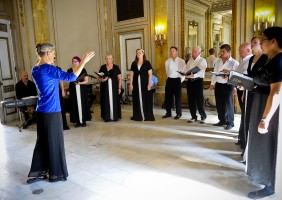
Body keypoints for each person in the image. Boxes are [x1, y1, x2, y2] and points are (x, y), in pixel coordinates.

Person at [27, 42, 94, 184]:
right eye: (53, 53)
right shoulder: (48, 69)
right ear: (48, 53)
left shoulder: (35, 69)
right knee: (54, 143)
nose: (54, 55)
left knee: (42, 142)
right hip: (52, 111)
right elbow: (71, 77)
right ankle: (55, 174)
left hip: (41, 111)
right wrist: (83, 61)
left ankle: (37, 172)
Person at [246, 27, 282, 199]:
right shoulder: (270, 58)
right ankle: (263, 178)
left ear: (273, 41)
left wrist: (265, 119)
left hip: (269, 108)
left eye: (263, 39)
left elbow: (276, 92)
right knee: (261, 144)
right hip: (261, 102)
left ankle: (270, 184)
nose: (261, 42)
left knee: (268, 146)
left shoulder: (279, 60)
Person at [210, 44, 239, 130]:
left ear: (229, 52)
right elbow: (215, 73)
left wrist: (235, 88)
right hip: (219, 84)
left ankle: (230, 122)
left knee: (228, 104)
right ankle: (222, 120)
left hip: (228, 85)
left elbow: (237, 76)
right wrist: (212, 84)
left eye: (223, 51)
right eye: (220, 51)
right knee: (219, 104)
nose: (221, 53)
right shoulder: (218, 61)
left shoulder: (234, 63)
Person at [234, 42, 253, 147]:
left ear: (248, 50)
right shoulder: (244, 61)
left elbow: (246, 76)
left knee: (245, 115)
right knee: (243, 115)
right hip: (240, 88)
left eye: (241, 51)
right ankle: (241, 137)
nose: (239, 53)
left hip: (245, 89)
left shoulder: (250, 60)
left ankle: (243, 139)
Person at [129, 48, 155, 121]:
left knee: (146, 99)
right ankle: (138, 115)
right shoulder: (134, 63)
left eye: (140, 53)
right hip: (136, 84)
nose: (138, 54)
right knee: (137, 99)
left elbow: (150, 74)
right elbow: (131, 75)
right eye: (137, 53)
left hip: (145, 84)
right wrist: (131, 84)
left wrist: (149, 84)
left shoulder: (147, 63)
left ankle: (146, 115)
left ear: (143, 54)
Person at [184, 46, 207, 124]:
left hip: (198, 81)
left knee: (199, 100)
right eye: (193, 52)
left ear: (200, 53)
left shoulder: (202, 60)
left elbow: (201, 71)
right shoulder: (190, 60)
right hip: (190, 81)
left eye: (195, 52)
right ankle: (193, 116)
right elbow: (186, 69)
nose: (193, 53)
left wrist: (193, 75)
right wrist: (185, 74)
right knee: (191, 100)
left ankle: (203, 116)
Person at [67, 56, 92, 127]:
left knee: (83, 103)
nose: (75, 63)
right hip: (73, 89)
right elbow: (68, 80)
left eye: (76, 61)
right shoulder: (69, 70)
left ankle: (83, 120)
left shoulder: (83, 69)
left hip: (81, 89)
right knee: (74, 104)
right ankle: (77, 121)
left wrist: (79, 83)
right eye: (73, 61)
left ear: (79, 62)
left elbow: (86, 81)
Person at [162, 46, 186, 120]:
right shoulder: (167, 61)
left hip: (177, 81)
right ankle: (168, 113)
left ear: (177, 52)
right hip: (169, 80)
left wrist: (179, 80)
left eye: (173, 51)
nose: (172, 52)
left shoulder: (181, 61)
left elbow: (184, 72)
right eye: (171, 51)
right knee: (168, 97)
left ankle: (178, 114)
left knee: (178, 98)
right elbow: (167, 72)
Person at [98, 54, 122, 122]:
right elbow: (99, 77)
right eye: (107, 59)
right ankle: (106, 117)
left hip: (114, 88)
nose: (108, 60)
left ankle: (115, 116)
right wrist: (101, 80)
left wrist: (119, 88)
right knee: (105, 101)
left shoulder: (116, 67)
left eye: (109, 58)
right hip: (105, 88)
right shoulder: (102, 67)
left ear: (112, 59)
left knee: (114, 101)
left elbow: (120, 78)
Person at [53, 57, 70, 130]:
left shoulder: (58, 68)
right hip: (50, 91)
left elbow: (61, 80)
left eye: (54, 59)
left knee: (61, 107)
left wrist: (63, 90)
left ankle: (63, 125)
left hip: (58, 90)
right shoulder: (46, 69)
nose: (53, 61)